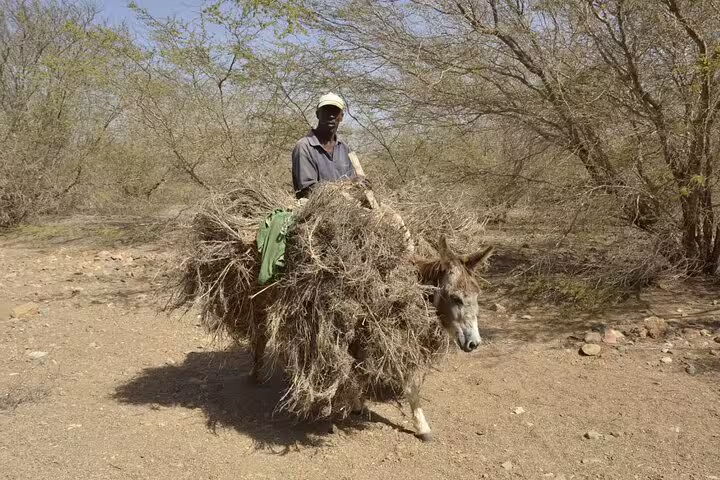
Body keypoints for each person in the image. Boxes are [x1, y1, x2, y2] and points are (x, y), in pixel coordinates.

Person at [291, 92, 367, 199]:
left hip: (347, 209)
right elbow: (308, 190)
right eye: (326, 111)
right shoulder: (304, 147)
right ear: (318, 114)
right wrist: (348, 184)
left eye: (335, 112)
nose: (331, 116)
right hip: (315, 212)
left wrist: (361, 185)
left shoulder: (345, 148)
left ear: (341, 117)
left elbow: (354, 185)